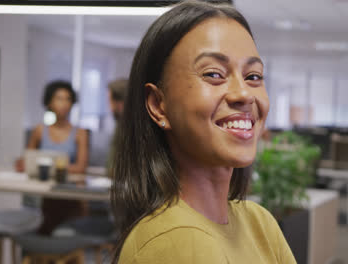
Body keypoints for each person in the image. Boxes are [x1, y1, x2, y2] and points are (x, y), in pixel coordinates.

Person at [111, 1, 296, 263]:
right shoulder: (174, 242)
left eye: (253, 76)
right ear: (158, 105)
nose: (244, 94)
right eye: (213, 74)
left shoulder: (259, 223)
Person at [16, 80, 89, 235]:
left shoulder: (80, 133)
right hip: (44, 197)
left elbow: (81, 168)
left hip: (70, 198)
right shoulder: (39, 130)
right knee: (37, 224)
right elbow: (28, 162)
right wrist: (23, 164)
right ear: (49, 102)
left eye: (67, 99)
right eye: (59, 98)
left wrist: (44, 167)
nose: (64, 103)